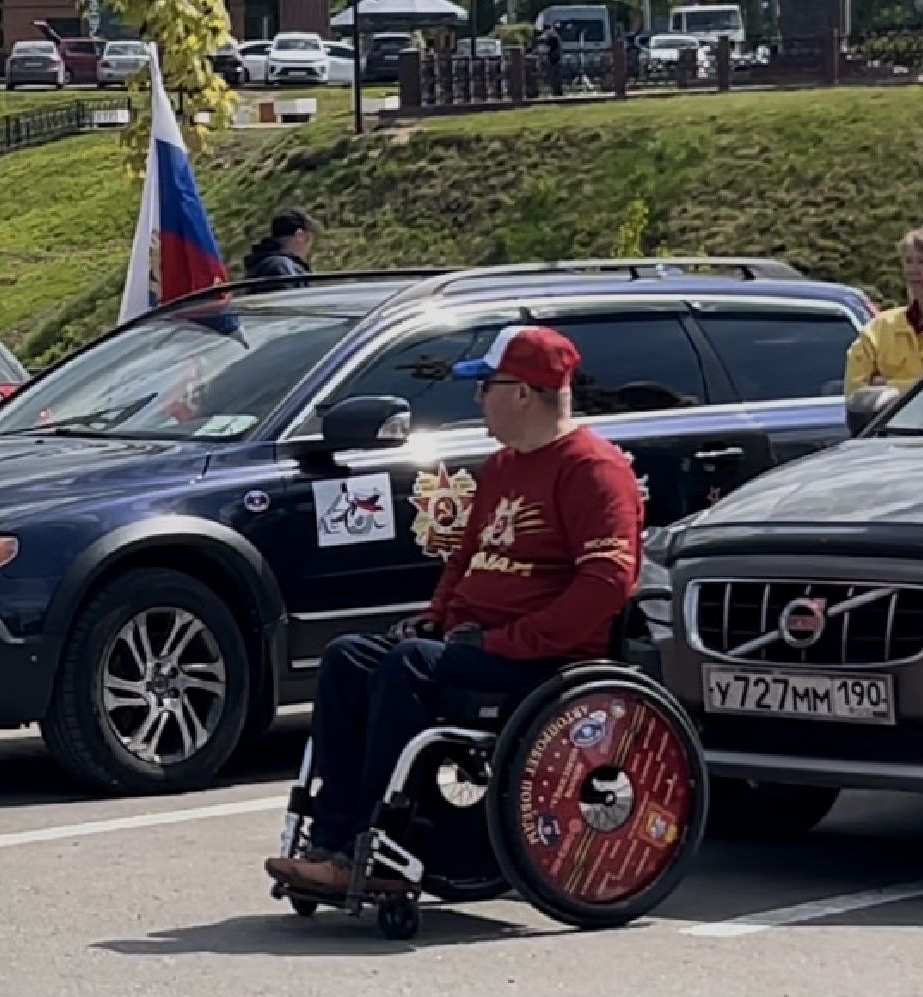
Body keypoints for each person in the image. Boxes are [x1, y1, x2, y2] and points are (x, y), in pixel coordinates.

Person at [264, 325, 644, 895]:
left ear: (522, 392)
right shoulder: (502, 466)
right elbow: (466, 558)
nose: (476, 399)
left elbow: (606, 586)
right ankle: (332, 836)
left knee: (410, 666)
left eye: (485, 386)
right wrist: (437, 615)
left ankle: (376, 850)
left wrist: (506, 641)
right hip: (473, 643)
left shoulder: (592, 471)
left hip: (541, 658)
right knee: (348, 657)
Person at [844, 224, 923, 396]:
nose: (912, 270)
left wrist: (887, 387)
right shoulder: (879, 328)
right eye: (908, 261)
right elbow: (856, 395)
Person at [242, 209, 316, 283]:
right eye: (310, 238)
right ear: (300, 236)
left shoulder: (259, 264)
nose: (310, 246)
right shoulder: (282, 267)